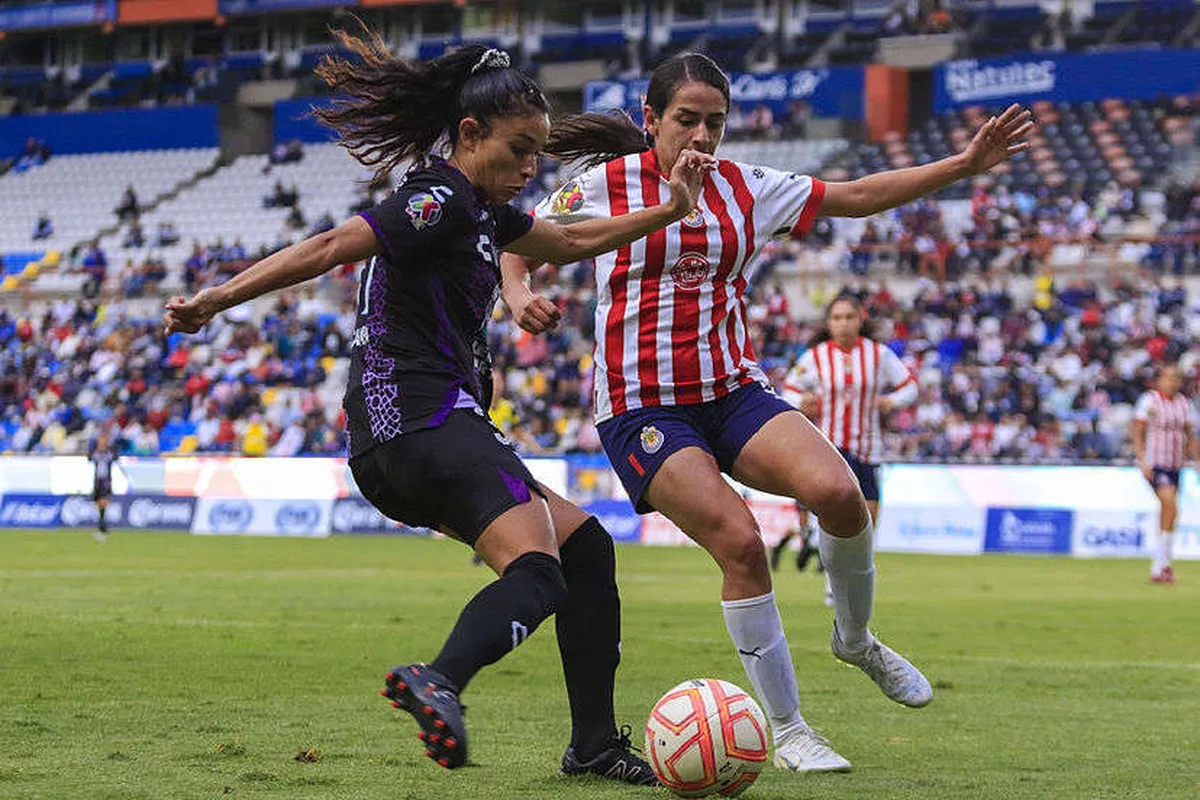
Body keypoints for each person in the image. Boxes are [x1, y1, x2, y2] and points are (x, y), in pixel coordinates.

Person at [162, 31, 715, 781]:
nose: (529, 169)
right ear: (469, 134)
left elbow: (572, 240)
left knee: (585, 550)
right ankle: (440, 680)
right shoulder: (441, 196)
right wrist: (219, 299)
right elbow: (333, 246)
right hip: (418, 422)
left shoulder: (484, 211)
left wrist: (671, 209)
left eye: (537, 154)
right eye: (519, 151)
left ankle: (591, 745)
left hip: (414, 435)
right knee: (540, 571)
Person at [502, 52, 1033, 773]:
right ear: (652, 119)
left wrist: (961, 166)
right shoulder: (603, 185)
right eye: (686, 120)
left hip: (736, 392)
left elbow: (858, 194)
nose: (701, 136)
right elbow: (518, 239)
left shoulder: (749, 189)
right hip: (641, 404)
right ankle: (789, 732)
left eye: (714, 122)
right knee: (742, 543)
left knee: (842, 495)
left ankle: (855, 641)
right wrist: (515, 293)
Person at [775, 294, 919, 601]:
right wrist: (803, 402)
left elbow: (910, 386)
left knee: (869, 518)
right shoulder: (815, 357)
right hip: (831, 448)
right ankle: (833, 583)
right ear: (829, 323)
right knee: (839, 518)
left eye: (849, 317)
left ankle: (858, 580)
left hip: (869, 448)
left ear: (860, 320)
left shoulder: (878, 355)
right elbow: (788, 390)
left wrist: (892, 401)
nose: (843, 324)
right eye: (837, 318)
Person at [1132, 364, 1196, 584]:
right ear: (1159, 380)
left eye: (1176, 378)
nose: (1173, 382)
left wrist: (1195, 460)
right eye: (1169, 378)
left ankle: (1162, 564)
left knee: (1169, 512)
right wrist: (1141, 458)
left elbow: (1190, 434)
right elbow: (1138, 430)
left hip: (1175, 463)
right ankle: (1161, 563)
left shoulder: (1184, 404)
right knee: (1170, 504)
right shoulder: (1149, 401)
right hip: (1156, 462)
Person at [88, 429, 118, 543]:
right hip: (97, 482)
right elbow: (89, 457)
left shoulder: (109, 454)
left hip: (105, 482)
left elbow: (115, 456)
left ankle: (102, 527)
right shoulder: (95, 454)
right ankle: (102, 526)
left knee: (103, 502)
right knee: (98, 504)